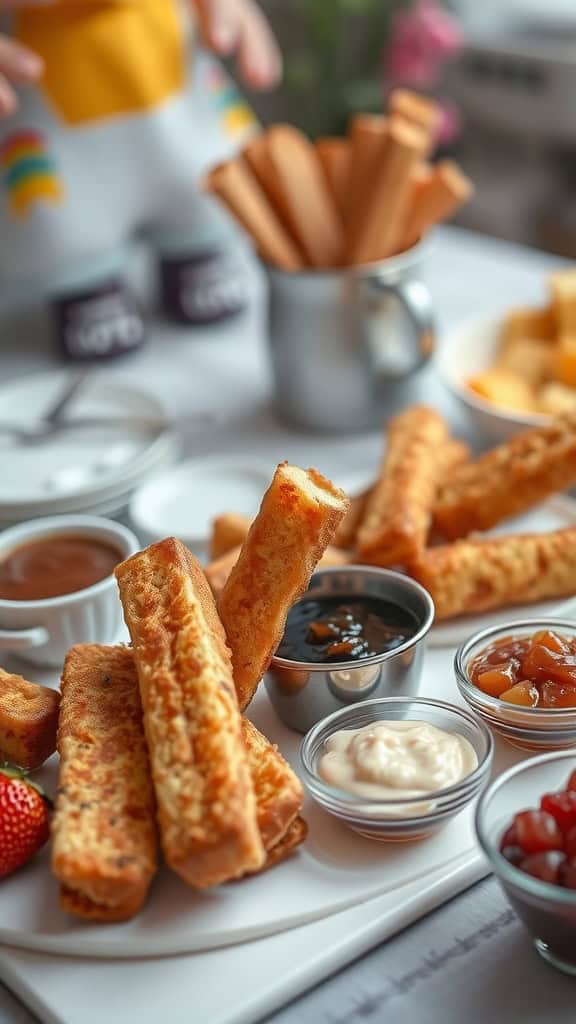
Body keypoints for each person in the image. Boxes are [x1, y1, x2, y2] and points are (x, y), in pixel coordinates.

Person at [0, 0, 281, 358]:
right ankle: (88, 285)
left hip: (170, 75)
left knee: (197, 172)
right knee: (61, 209)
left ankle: (195, 252)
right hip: (47, 95)